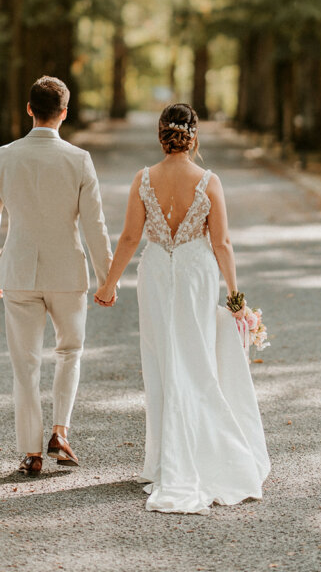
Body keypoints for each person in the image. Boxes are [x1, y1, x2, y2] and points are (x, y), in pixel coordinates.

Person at [94, 102, 270, 514]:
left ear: (161, 135)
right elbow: (222, 243)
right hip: (195, 273)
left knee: (162, 362)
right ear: (194, 136)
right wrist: (235, 296)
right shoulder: (209, 181)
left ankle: (164, 462)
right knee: (196, 360)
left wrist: (108, 283)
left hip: (156, 273)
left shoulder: (143, 178)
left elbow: (129, 238)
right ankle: (199, 454)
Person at [0, 75, 114, 476]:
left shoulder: (4, 156)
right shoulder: (78, 159)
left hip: (17, 271)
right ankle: (60, 432)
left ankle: (31, 453)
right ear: (65, 113)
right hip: (68, 272)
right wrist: (107, 278)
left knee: (26, 364)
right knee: (69, 352)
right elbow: (95, 225)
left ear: (30, 109)